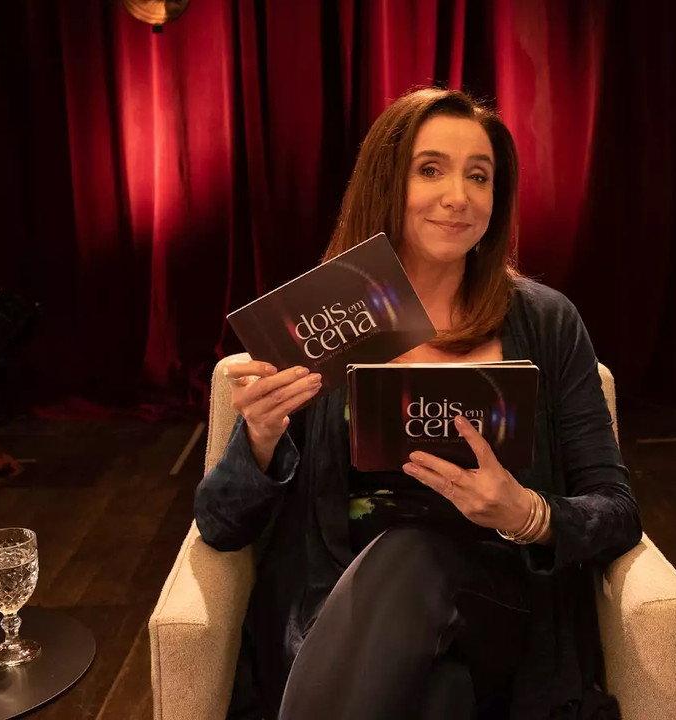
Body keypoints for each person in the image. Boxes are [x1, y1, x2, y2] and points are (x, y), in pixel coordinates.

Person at [194, 87, 641, 720]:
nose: (458, 196)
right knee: (439, 699)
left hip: (502, 610)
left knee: (417, 552)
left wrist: (527, 513)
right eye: (430, 170)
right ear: (385, 183)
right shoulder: (328, 317)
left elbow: (616, 511)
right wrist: (261, 440)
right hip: (342, 618)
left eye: (479, 176)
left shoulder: (546, 321)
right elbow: (220, 524)